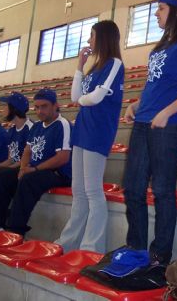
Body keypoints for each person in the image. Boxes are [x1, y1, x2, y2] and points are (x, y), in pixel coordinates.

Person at [123, 0, 177, 265]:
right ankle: (136, 248)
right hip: (145, 120)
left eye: (160, 8)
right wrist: (137, 104)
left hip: (170, 124)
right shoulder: (159, 47)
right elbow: (156, 85)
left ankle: (160, 255)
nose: (156, 13)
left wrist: (166, 113)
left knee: (161, 190)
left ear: (176, 11)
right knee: (133, 188)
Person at [56, 20, 124, 253]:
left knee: (93, 190)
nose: (88, 41)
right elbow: (77, 95)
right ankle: (69, 242)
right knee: (79, 190)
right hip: (82, 131)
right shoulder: (94, 68)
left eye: (92, 36)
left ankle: (92, 247)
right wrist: (79, 66)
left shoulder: (115, 64)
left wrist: (83, 100)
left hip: (98, 133)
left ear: (103, 37)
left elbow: (94, 98)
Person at [0, 88, 72, 235]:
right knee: (3, 177)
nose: (39, 111)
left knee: (29, 180)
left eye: (44, 106)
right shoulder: (37, 126)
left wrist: (34, 170)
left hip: (58, 173)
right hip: (35, 170)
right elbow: (27, 151)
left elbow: (63, 157)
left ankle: (15, 229)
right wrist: (23, 168)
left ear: (55, 105)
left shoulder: (62, 124)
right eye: (36, 107)